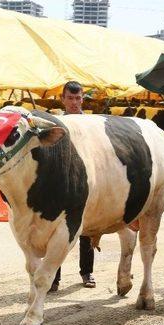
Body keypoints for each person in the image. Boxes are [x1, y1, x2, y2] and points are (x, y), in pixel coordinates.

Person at [50, 81, 96, 291]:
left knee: (86, 228)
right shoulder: (55, 123)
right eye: (70, 98)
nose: (74, 103)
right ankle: (53, 277)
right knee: (55, 231)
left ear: (83, 99)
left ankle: (87, 273)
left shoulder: (92, 124)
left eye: (78, 98)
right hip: (61, 181)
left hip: (86, 180)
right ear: (63, 99)